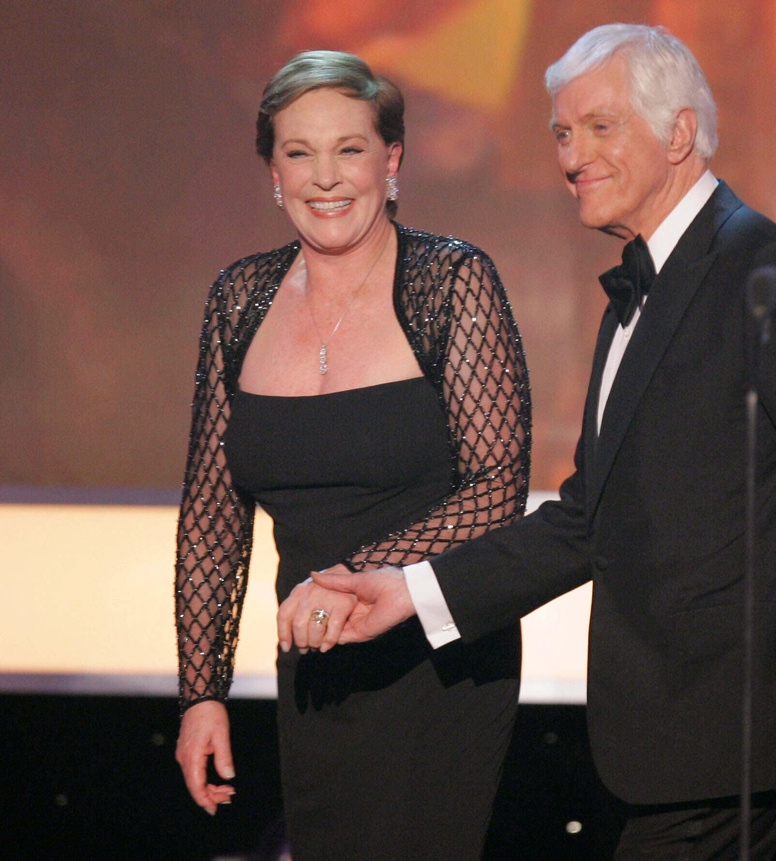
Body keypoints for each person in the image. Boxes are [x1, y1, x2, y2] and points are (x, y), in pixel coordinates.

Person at [298, 24, 776, 860]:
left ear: (679, 133)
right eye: (562, 133)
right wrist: (412, 592)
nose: (572, 155)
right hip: (702, 752)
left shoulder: (763, 271)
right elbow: (590, 516)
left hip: (749, 747)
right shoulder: (638, 295)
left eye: (600, 128)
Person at [174, 50, 531, 861]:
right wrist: (202, 693)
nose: (325, 177)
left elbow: (496, 487)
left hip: (434, 666)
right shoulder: (239, 298)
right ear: (272, 170)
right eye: (299, 152)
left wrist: (347, 582)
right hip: (315, 669)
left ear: (392, 161)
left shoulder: (452, 280)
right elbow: (211, 513)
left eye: (350, 149)